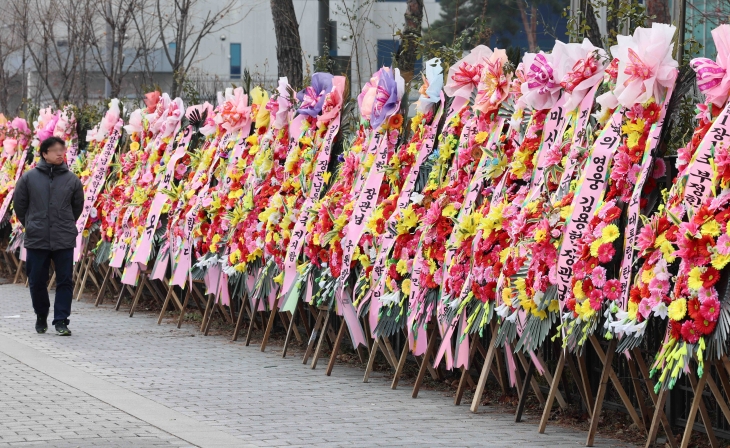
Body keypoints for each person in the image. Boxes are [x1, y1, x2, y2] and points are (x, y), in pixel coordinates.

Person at [13, 136, 84, 336]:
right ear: (44, 154)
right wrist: (32, 224)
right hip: (37, 237)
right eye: (55, 150)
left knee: (64, 280)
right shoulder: (28, 178)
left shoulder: (72, 180)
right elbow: (20, 206)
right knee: (36, 280)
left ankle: (61, 320)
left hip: (63, 237)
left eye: (62, 149)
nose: (60, 153)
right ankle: (41, 314)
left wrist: (65, 222)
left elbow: (77, 206)